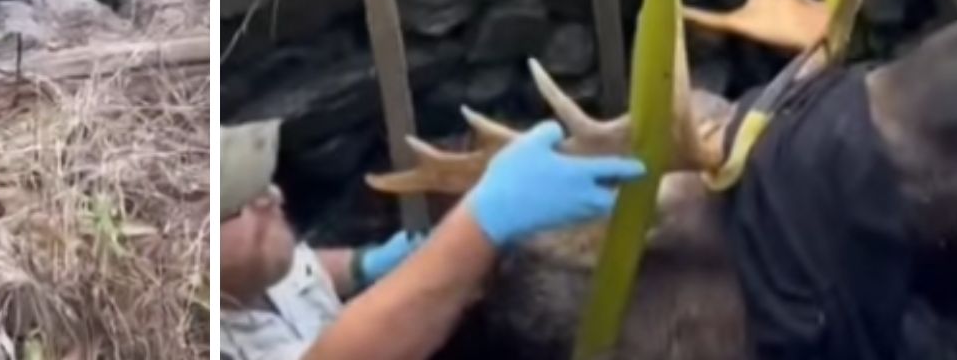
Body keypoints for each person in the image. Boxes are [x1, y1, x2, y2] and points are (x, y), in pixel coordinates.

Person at [218, 117, 646, 360]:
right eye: (242, 201)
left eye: (263, 184)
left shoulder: (248, 270)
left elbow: (301, 268)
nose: (273, 196)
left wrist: (363, 265)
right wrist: (479, 225)